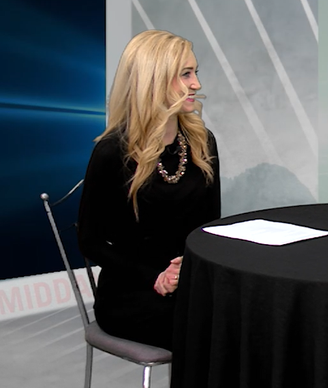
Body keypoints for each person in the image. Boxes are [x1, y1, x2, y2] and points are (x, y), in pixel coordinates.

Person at [77, 29, 221, 351]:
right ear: (154, 80)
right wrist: (155, 276)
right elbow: (90, 241)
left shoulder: (202, 142)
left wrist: (186, 269)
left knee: (251, 317)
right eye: (185, 74)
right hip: (132, 290)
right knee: (212, 331)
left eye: (195, 73)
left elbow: (209, 225)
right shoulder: (112, 152)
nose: (196, 84)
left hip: (189, 280)